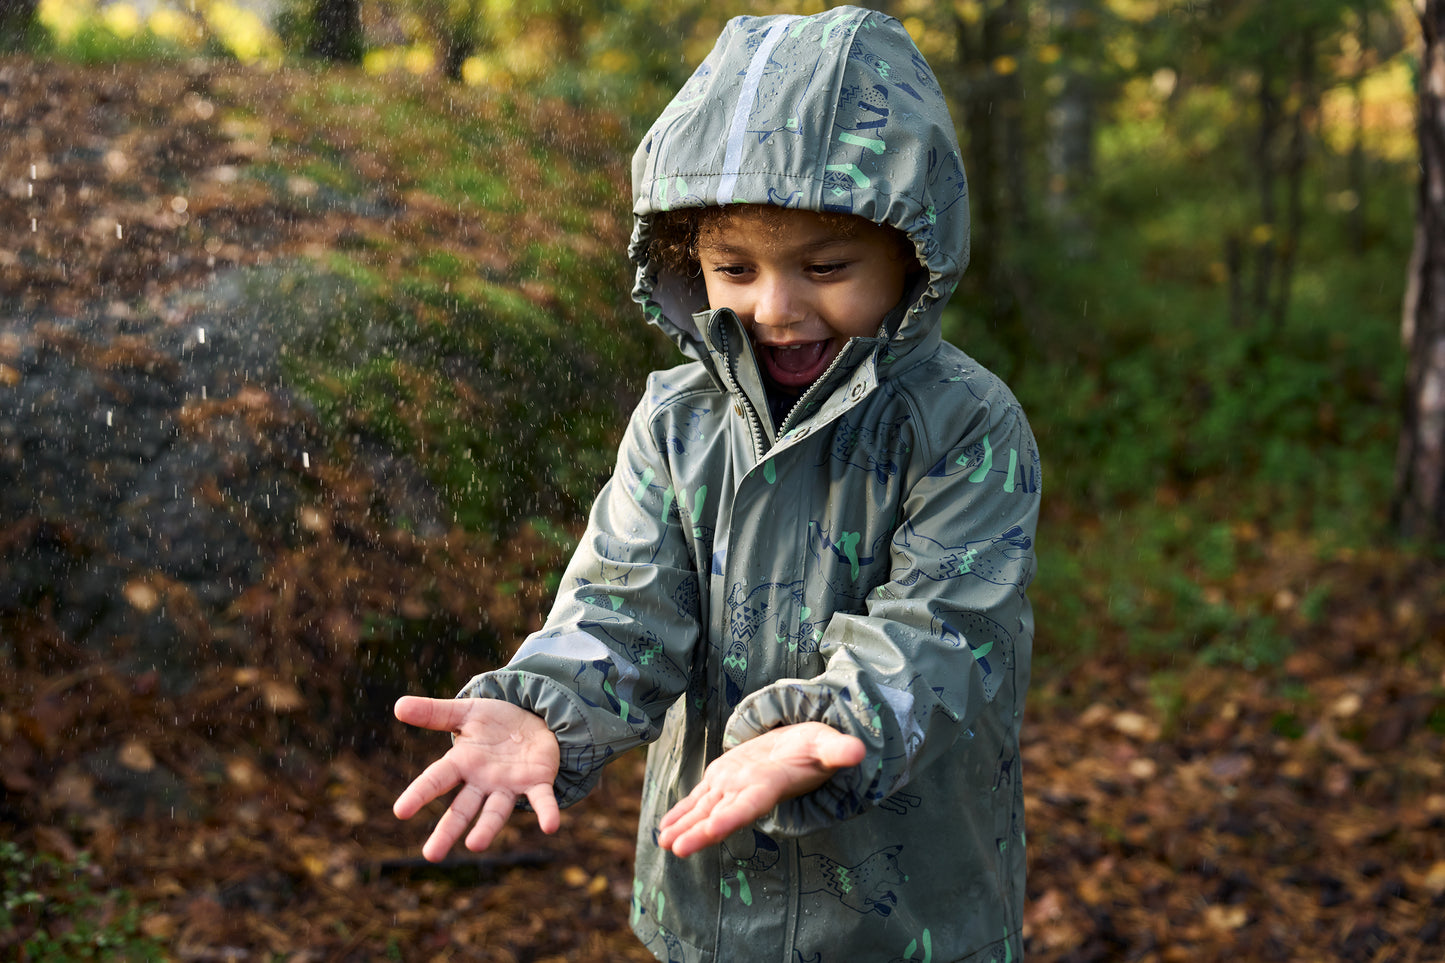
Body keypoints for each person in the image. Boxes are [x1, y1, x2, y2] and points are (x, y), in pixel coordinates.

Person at [393, 6, 1041, 961]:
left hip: (907, 914)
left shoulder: (963, 424)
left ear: (912, 250)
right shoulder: (679, 420)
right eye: (733, 267)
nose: (775, 306)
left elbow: (946, 625)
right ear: (685, 260)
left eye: (826, 266)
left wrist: (826, 728)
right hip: (710, 899)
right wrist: (547, 703)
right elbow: (625, 605)